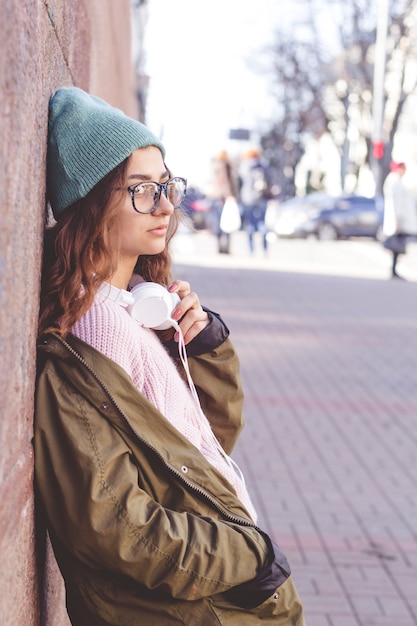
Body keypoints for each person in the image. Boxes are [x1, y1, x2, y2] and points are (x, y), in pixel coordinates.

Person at [34, 87, 305, 626]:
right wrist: (248, 556)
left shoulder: (138, 309)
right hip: (191, 610)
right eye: (141, 190)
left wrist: (204, 347)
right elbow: (117, 527)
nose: (166, 205)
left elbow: (203, 451)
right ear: (91, 204)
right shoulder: (93, 337)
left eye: (166, 185)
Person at [382, 161, 417, 279]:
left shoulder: (396, 181)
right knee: (396, 246)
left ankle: (394, 268)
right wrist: (398, 220)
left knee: (398, 246)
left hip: (399, 219)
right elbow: (397, 203)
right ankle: (393, 269)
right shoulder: (395, 182)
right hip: (399, 220)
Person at [239, 149, 270, 255]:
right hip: (261, 199)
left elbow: (239, 183)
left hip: (247, 199)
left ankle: (251, 250)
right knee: (262, 223)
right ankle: (265, 249)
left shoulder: (243, 167)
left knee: (250, 225)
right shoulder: (263, 166)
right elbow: (269, 182)